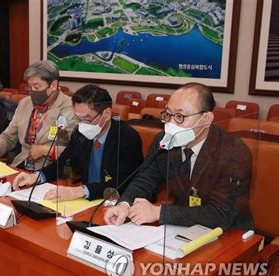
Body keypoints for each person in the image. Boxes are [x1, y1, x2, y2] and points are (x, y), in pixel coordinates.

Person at [104, 83, 253, 230]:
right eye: (168, 114)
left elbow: (221, 213)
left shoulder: (234, 151)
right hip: (180, 228)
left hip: (230, 232)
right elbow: (145, 179)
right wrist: (124, 205)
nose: (170, 123)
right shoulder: (164, 140)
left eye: (180, 116)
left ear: (206, 119)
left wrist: (160, 212)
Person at [12, 84, 144, 201]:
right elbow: (63, 163)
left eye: (87, 119)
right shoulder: (80, 133)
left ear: (107, 114)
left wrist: (80, 191)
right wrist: (37, 176)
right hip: (84, 200)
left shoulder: (127, 138)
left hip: (113, 203)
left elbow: (123, 183)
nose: (82, 125)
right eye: (78, 118)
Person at [0, 60, 75, 170]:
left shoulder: (70, 108)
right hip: (21, 165)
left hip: (52, 170)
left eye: (37, 87)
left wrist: (46, 150)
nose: (32, 91)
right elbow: (8, 136)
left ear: (53, 85)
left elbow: (76, 150)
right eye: (30, 87)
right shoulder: (25, 103)